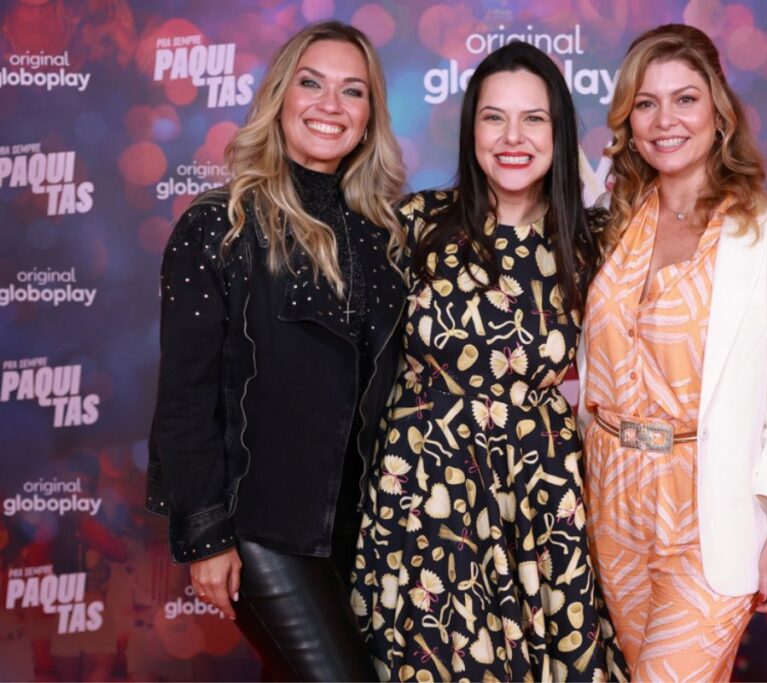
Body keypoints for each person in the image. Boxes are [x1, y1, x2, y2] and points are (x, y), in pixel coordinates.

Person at [351, 42, 628, 682]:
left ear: (559, 132)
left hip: (539, 503)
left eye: (533, 119)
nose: (512, 137)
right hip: (425, 498)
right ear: (470, 127)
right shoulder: (415, 225)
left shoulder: (597, 245)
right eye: (493, 117)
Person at [145, 20, 405, 681]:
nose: (329, 105)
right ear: (280, 95)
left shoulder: (384, 241)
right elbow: (185, 398)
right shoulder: (218, 227)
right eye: (311, 83)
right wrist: (207, 536)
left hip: (358, 533)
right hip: (260, 529)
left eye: (353, 92)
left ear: (370, 116)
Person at [578, 24, 767, 682]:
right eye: (646, 103)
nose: (665, 120)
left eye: (684, 99)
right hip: (609, 499)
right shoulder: (612, 225)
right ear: (628, 120)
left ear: (719, 113)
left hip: (709, 507)